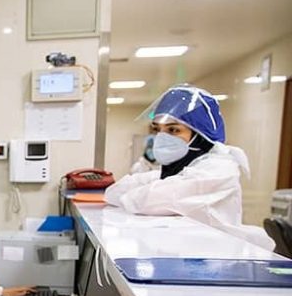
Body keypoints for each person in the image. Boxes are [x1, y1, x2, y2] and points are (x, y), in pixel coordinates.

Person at [105, 85, 274, 250]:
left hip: (214, 259)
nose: (162, 137)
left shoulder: (218, 170)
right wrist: (135, 193)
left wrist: (137, 194)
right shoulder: (179, 170)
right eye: (158, 130)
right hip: (182, 254)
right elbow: (115, 192)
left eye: (173, 130)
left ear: (200, 135)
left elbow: (144, 200)